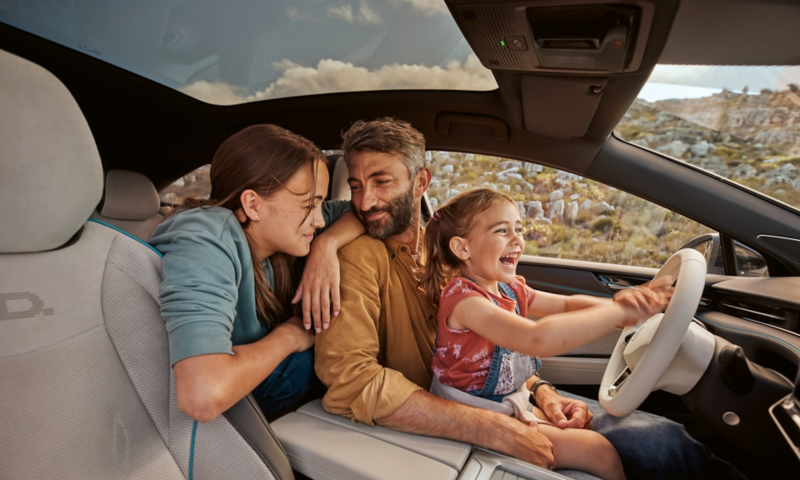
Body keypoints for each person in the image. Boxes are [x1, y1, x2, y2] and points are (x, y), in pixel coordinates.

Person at [315, 117, 746, 479]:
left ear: (420, 181)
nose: (365, 201)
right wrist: (488, 427)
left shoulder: (447, 249)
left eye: (381, 181)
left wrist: (543, 392)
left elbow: (502, 339)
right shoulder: (358, 259)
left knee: (668, 442)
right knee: (650, 449)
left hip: (509, 400)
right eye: (355, 186)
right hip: (453, 420)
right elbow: (351, 380)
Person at [423, 188, 673, 480]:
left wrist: (621, 307)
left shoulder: (510, 287)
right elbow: (537, 338)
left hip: (506, 399)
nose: (517, 239)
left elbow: (566, 304)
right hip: (472, 412)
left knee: (577, 428)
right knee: (598, 450)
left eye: (518, 229)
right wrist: (619, 313)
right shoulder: (465, 301)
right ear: (462, 248)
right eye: (502, 231)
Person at [150, 124, 364, 422]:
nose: (317, 220)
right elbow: (203, 394)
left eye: (320, 204)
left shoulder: (277, 236)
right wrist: (290, 336)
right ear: (253, 204)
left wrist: (326, 247)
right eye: (308, 205)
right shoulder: (205, 238)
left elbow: (361, 212)